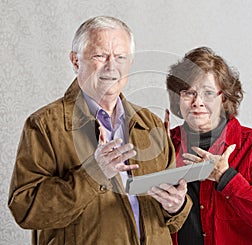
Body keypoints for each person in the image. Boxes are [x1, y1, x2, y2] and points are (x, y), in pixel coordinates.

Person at [8, 16, 192, 244]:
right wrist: (93, 174)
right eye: (100, 55)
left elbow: (171, 221)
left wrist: (177, 206)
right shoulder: (45, 125)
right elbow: (25, 210)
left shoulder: (151, 124)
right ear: (75, 61)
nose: (111, 66)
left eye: (120, 57)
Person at [165, 47, 252, 245]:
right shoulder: (166, 144)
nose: (197, 102)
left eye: (208, 93)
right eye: (188, 93)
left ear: (223, 97)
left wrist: (226, 178)